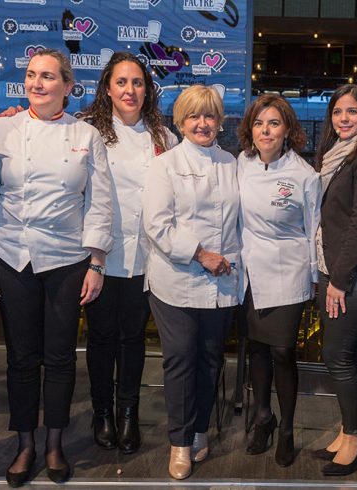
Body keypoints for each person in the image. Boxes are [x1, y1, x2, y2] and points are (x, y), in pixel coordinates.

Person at [0, 48, 113, 487]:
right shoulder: (3, 130)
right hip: (13, 254)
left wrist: (96, 263)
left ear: (68, 86)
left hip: (66, 259)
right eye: (31, 75)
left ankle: (54, 442)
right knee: (20, 358)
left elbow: (100, 203)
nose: (37, 84)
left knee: (58, 358)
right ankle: (24, 444)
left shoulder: (87, 135)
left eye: (48, 77)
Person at [142, 84, 242, 480]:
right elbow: (157, 224)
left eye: (210, 116)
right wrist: (201, 254)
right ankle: (180, 441)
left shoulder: (231, 162)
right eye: (194, 116)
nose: (203, 123)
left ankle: (201, 430)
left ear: (220, 121)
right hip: (176, 281)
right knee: (181, 358)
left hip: (221, 284)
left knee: (210, 358)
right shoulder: (163, 165)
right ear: (180, 121)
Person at [80, 51, 177, 454]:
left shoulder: (164, 138)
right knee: (101, 337)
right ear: (107, 88)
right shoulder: (87, 132)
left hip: (147, 258)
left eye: (137, 83)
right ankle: (101, 412)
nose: (130, 90)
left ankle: (128, 413)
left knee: (133, 338)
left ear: (148, 90)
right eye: (121, 82)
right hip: (99, 257)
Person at [235, 93, 320, 467]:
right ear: (249, 129)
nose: (265, 130)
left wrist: (316, 280)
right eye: (258, 123)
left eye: (274, 123)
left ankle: (286, 428)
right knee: (256, 347)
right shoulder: (241, 163)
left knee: (283, 351)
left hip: (289, 270)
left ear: (288, 130)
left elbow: (314, 230)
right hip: (249, 271)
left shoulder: (304, 175)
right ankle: (263, 417)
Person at [310, 84, 357, 477]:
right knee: (342, 355)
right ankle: (347, 431)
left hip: (356, 272)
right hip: (335, 268)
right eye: (338, 112)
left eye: (352, 112)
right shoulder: (333, 156)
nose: (343, 118)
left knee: (338, 355)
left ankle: (355, 440)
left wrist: (338, 280)